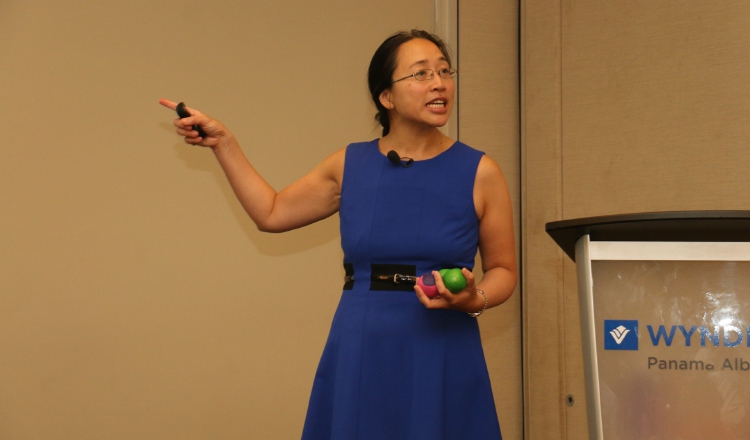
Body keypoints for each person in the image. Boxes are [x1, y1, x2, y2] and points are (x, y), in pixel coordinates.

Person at [160, 29, 517, 440]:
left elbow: (504, 269)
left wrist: (476, 298)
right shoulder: (350, 164)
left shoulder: (481, 171)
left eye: (444, 71)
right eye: (420, 74)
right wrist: (225, 143)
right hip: (363, 342)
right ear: (386, 97)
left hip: (444, 345)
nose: (439, 83)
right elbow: (271, 212)